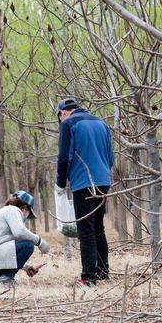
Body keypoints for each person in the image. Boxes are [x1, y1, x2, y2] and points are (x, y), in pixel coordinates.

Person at [54, 98, 113, 286]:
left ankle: (88, 277)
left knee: (85, 230)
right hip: (103, 181)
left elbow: (64, 157)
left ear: (62, 113)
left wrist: (60, 183)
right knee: (98, 228)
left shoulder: (68, 124)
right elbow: (110, 157)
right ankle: (103, 272)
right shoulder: (101, 123)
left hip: (83, 182)